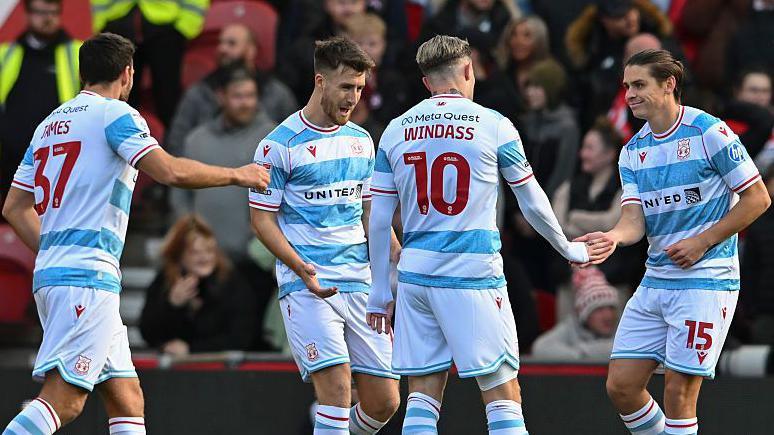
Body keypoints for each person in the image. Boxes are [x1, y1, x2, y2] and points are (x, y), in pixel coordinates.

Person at [1, 32, 269, 434]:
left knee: (127, 397)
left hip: (59, 273)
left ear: (82, 72)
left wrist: (56, 252)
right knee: (66, 401)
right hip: (86, 278)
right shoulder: (117, 115)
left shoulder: (48, 125)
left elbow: (13, 208)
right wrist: (237, 174)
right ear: (128, 74)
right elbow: (171, 171)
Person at [366, 35, 596, 435]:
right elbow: (533, 201)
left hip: (415, 275)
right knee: (502, 390)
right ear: (469, 70)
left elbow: (379, 217)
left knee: (422, 393)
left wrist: (380, 291)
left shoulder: (394, 131)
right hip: (471, 273)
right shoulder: (494, 125)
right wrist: (566, 247)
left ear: (426, 83)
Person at [576, 49, 771, 435]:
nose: (629, 94)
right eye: (627, 86)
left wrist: (702, 242)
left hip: (706, 280)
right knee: (622, 387)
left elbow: (758, 198)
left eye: (639, 85)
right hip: (656, 281)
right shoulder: (632, 152)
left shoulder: (709, 132)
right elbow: (635, 220)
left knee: (679, 394)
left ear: (669, 85)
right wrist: (613, 237)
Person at [249, 36, 400, 434]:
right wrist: (300, 268)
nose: (354, 97)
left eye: (361, 88)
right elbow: (262, 220)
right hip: (308, 286)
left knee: (385, 401)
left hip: (361, 285)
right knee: (335, 391)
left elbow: (370, 213)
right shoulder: (278, 146)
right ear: (320, 82)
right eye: (346, 87)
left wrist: (399, 256)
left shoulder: (362, 140)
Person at [167, 23, 297, 155]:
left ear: (251, 50)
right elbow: (176, 145)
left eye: (231, 43)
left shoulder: (277, 94)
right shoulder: (198, 93)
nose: (222, 48)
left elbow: (296, 142)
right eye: (220, 43)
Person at [139, 215, 257, 356]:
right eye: (195, 252)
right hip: (176, 370)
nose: (205, 257)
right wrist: (172, 305)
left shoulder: (232, 281)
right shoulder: (165, 282)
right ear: (179, 255)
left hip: (224, 370)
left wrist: (191, 349)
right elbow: (148, 334)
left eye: (209, 250)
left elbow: (241, 338)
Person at [0, 0, 81, 200]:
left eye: (53, 13)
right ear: (26, 14)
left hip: (60, 156)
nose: (47, 18)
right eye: (40, 12)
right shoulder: (5, 53)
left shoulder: (80, 53)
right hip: (10, 159)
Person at [91, 0, 209, 127]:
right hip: (118, 25)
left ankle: (173, 145)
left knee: (168, 100)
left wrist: (185, 27)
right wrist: (102, 23)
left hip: (166, 27)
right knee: (119, 101)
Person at [532, 267, 620, 360]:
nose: (608, 316)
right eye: (599, 309)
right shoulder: (571, 326)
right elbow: (540, 348)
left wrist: (582, 352)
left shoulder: (622, 325)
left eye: (611, 308)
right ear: (584, 314)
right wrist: (581, 355)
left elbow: (622, 350)